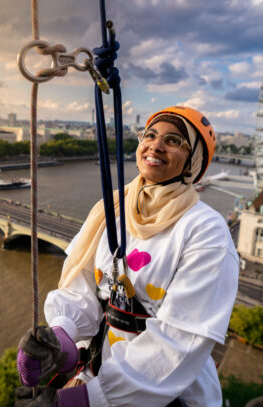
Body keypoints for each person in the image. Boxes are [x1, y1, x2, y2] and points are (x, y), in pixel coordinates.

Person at [15, 106, 239, 407]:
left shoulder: (205, 231)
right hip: (100, 373)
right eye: (150, 135)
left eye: (174, 141)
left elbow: (180, 342)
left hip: (168, 394)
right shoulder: (113, 208)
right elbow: (85, 285)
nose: (156, 145)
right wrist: (61, 336)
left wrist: (84, 399)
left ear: (193, 162)